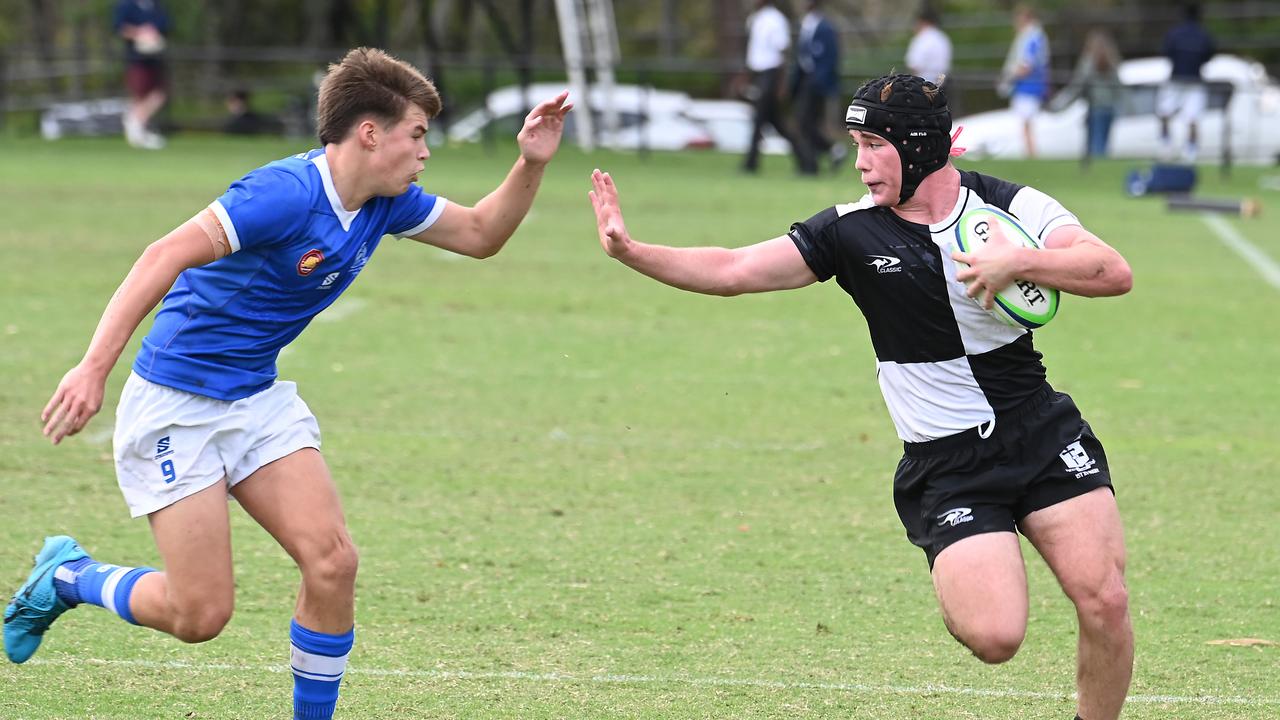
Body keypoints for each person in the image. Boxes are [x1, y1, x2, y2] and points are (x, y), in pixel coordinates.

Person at [4, 48, 571, 720]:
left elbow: (481, 234)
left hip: (256, 401)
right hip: (176, 407)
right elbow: (164, 254)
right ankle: (70, 577)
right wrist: (93, 367)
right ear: (370, 133)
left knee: (333, 563)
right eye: (416, 134)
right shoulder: (282, 194)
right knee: (200, 614)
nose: (425, 152)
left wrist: (531, 161)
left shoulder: (384, 204)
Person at [589, 74, 1134, 720]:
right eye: (856, 143)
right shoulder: (849, 233)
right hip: (949, 466)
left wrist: (1019, 262)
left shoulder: (1009, 208)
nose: (860, 163)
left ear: (919, 147)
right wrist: (631, 250)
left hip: (1040, 433)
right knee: (995, 636)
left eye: (873, 143)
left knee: (1106, 601)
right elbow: (734, 270)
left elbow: (1111, 271)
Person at [741, 0, 811, 175]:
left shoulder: (776, 19)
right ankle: (808, 162)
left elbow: (783, 52)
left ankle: (751, 164)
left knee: (758, 121)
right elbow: (755, 54)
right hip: (760, 75)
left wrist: (781, 83)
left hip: (772, 76)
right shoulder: (755, 19)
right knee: (778, 124)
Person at [1051, 29, 1123, 162]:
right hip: (1109, 109)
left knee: (1095, 147)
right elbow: (1119, 88)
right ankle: (1099, 171)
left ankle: (1097, 174)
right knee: (1103, 145)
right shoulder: (1112, 61)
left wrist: (1059, 105)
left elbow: (1077, 86)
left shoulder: (1088, 61)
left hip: (1096, 108)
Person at [790, 0, 843, 173]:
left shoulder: (824, 27)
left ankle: (813, 162)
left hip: (816, 81)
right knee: (806, 123)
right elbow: (802, 56)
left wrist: (818, 80)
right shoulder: (806, 24)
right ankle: (827, 153)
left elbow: (830, 57)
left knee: (805, 121)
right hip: (806, 79)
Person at [1158, 4, 1216, 161]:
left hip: (1178, 79)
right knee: (1192, 119)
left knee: (1165, 113)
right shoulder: (1203, 35)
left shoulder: (1174, 34)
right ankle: (1190, 152)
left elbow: (1167, 52)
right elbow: (1209, 55)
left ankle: (1166, 146)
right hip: (1193, 80)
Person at [114, 0, 170, 150]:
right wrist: (139, 32)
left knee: (159, 95)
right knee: (139, 96)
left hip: (155, 57)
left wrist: (152, 33)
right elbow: (119, 27)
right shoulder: (126, 5)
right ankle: (138, 132)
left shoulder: (156, 5)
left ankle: (134, 123)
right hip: (136, 58)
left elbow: (165, 25)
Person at [998, 4, 1050, 158]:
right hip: (1029, 85)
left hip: (1029, 86)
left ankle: (1031, 154)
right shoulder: (1033, 36)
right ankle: (1030, 154)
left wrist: (1008, 78)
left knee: (1027, 123)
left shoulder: (1032, 37)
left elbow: (1027, 65)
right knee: (1026, 123)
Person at [905, 6, 954, 107]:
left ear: (922, 22)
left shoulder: (921, 39)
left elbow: (914, 65)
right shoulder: (943, 38)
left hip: (922, 89)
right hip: (942, 86)